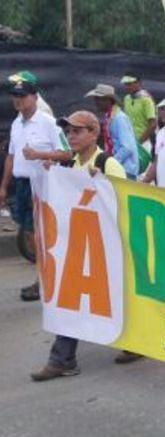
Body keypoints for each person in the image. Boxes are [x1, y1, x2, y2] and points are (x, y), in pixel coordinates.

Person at [30, 110, 134, 382]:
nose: (71, 136)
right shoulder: (69, 166)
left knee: (119, 296)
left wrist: (101, 182)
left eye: (77, 131)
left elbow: (126, 203)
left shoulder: (108, 163)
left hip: (106, 247)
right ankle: (62, 359)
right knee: (71, 299)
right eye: (69, 131)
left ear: (93, 133)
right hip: (80, 246)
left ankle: (135, 342)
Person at [0, 75, 71, 302]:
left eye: (22, 96)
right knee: (30, 235)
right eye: (14, 96)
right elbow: (11, 156)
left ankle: (46, 279)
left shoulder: (47, 122)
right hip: (21, 185)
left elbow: (66, 153)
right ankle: (45, 276)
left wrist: (39, 154)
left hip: (41, 186)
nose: (17, 100)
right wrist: (3, 186)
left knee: (41, 235)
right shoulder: (16, 123)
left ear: (34, 96)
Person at [85, 83, 139, 179]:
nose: (95, 102)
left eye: (98, 99)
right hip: (118, 169)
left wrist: (111, 163)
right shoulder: (110, 117)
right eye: (95, 99)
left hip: (124, 171)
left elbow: (127, 148)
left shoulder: (119, 118)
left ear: (108, 100)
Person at [120, 73, 157, 147]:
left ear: (138, 83)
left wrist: (139, 143)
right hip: (128, 142)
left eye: (130, 84)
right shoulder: (126, 98)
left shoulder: (146, 99)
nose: (127, 87)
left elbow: (153, 124)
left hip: (143, 143)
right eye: (126, 84)